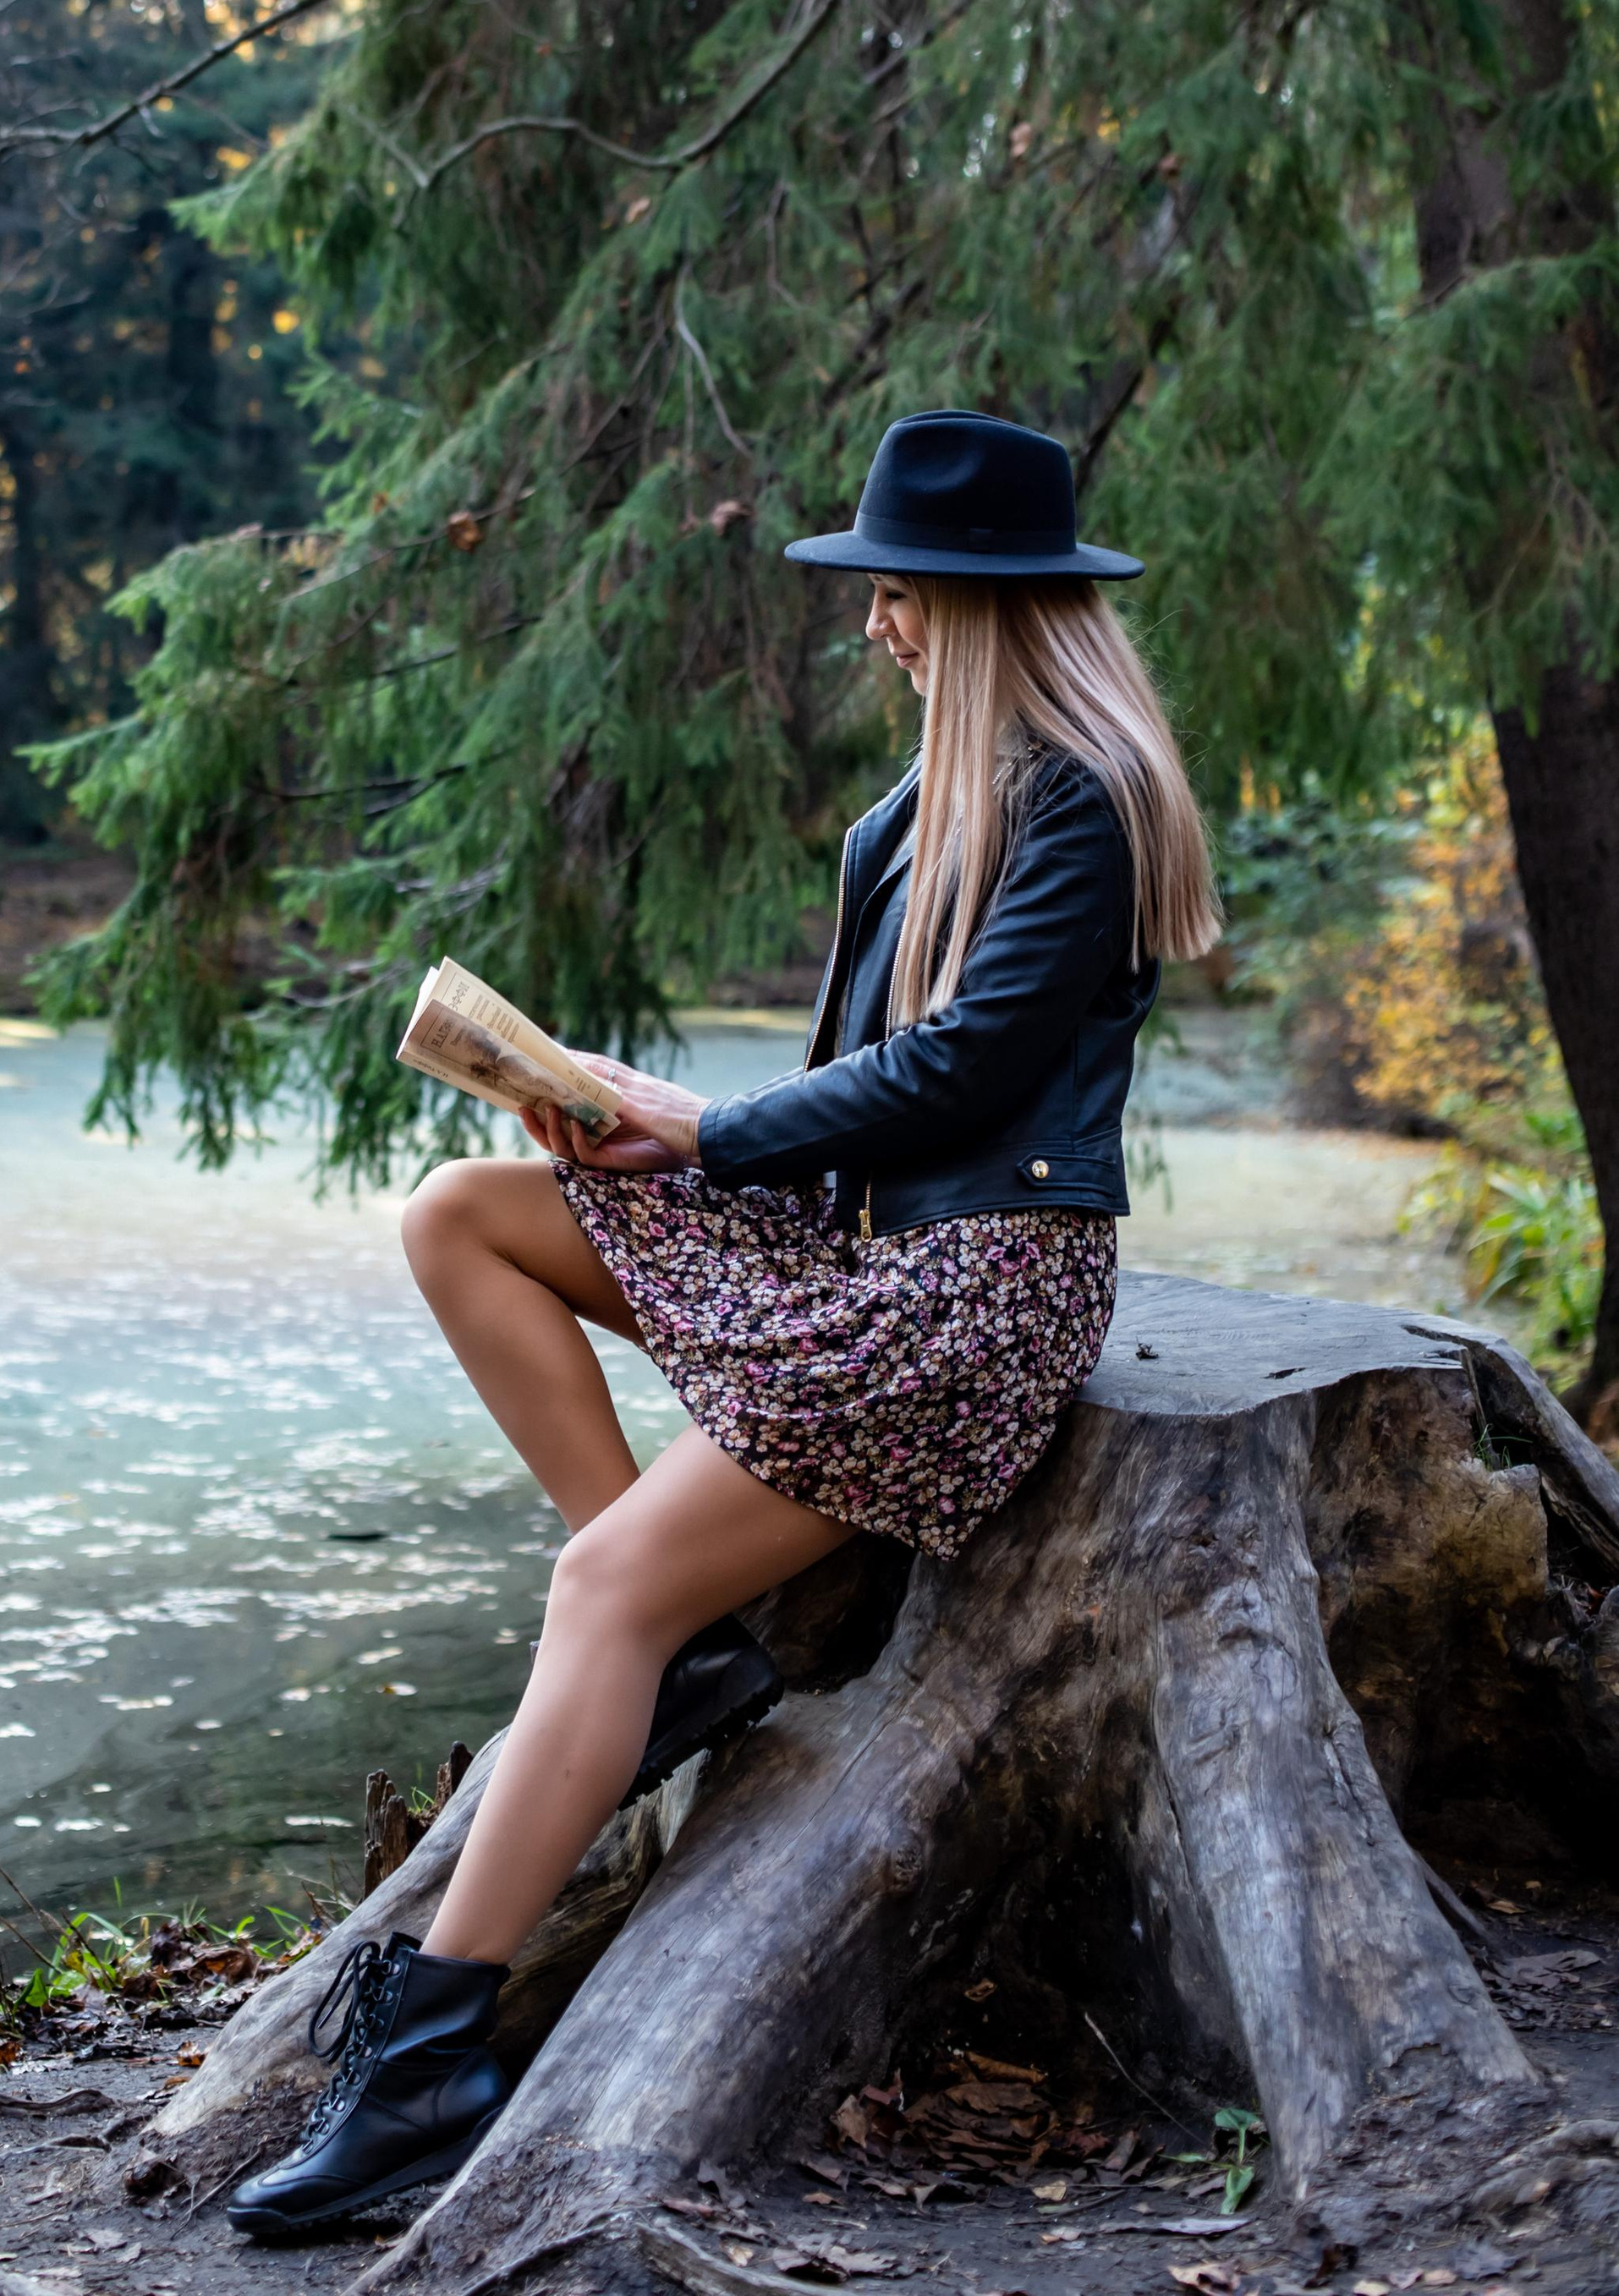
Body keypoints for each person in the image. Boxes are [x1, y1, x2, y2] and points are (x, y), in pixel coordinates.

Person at [227, 408, 1221, 2241]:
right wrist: (622, 1111)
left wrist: (699, 1131)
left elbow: (964, 1072)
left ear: (977, 603)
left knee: (593, 1594)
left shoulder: (1082, 796)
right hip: (849, 1245)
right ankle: (679, 1651)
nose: (872, 628)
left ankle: (432, 2055)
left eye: (894, 594)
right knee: (463, 1212)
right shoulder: (901, 821)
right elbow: (852, 1086)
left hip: (971, 1293)